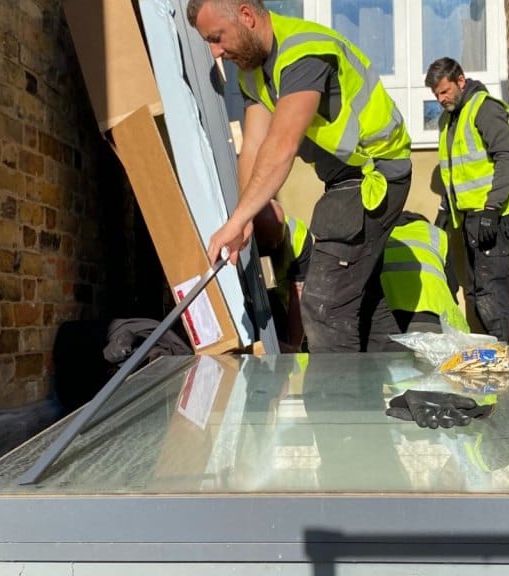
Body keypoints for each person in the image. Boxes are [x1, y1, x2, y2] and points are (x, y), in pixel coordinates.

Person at [187, 0, 412, 352]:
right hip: (344, 178)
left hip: (377, 171)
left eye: (217, 37)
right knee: (362, 303)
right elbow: (256, 146)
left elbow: (281, 145)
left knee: (323, 307)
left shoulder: (303, 51)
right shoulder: (252, 71)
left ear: (246, 16)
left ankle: (337, 405)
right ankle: (394, 383)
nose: (215, 52)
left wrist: (240, 218)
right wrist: (244, 217)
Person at [425, 57, 509, 341]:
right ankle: (486, 363)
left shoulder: (484, 108)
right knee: (475, 293)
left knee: (491, 292)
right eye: (436, 95)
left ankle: (501, 362)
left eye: (445, 91)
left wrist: (493, 207)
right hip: (469, 218)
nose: (441, 99)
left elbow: (507, 156)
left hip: (492, 215)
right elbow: (455, 171)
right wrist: (446, 208)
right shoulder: (449, 119)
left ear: (461, 81)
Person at [380, 211, 470, 334]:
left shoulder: (382, 235)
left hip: (387, 318)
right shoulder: (438, 235)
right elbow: (452, 286)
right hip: (432, 316)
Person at [253, 200, 311, 350]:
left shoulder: (299, 236)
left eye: (277, 240)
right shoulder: (244, 241)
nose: (273, 245)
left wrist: (294, 347)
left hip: (283, 305)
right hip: (260, 302)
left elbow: (298, 296)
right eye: (267, 242)